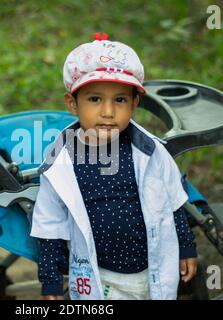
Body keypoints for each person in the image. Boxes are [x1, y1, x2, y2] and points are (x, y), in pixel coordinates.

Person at [29, 32, 197, 300]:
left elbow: (172, 202)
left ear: (134, 103)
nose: (108, 112)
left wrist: (186, 248)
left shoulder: (150, 151)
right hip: (100, 278)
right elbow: (50, 224)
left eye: (119, 100)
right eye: (95, 99)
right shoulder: (61, 163)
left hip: (151, 271)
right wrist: (50, 281)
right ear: (73, 103)